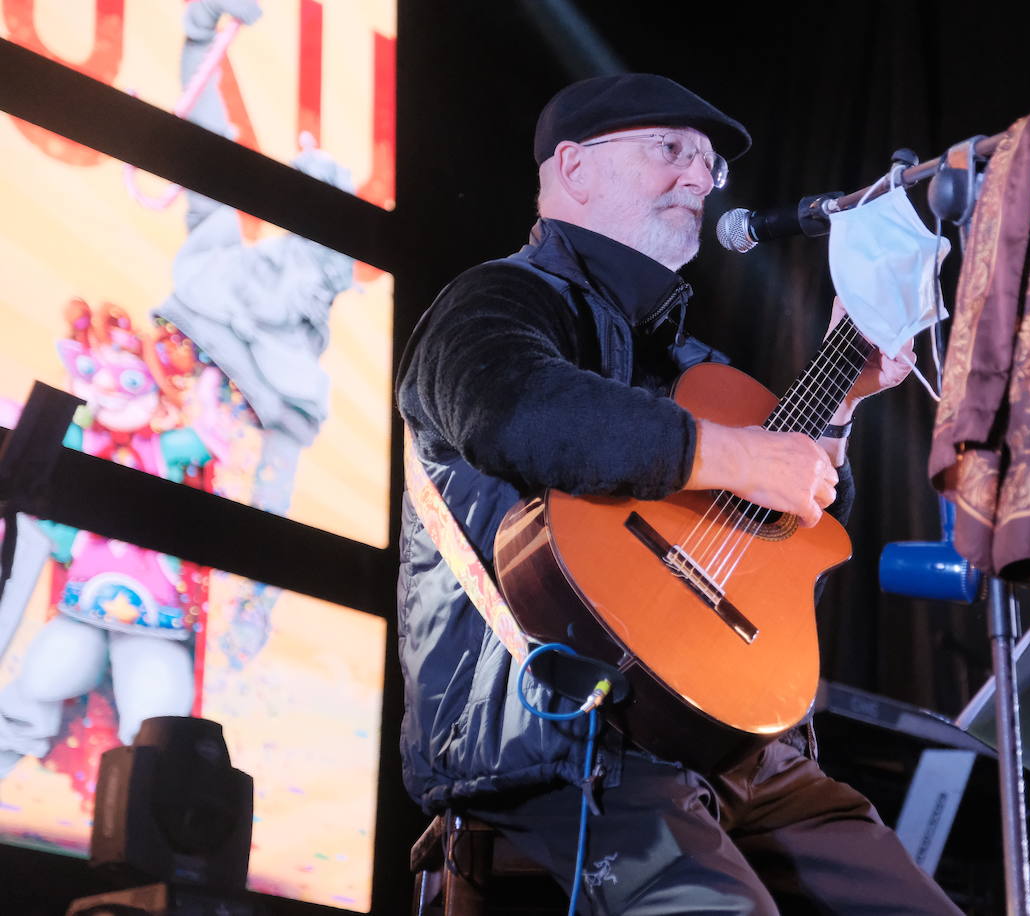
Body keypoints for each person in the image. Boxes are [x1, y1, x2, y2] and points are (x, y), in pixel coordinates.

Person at [396, 73, 961, 915]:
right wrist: (737, 455)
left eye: (708, 166)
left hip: (741, 750)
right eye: (671, 151)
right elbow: (520, 410)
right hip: (562, 742)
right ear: (574, 170)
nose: (700, 179)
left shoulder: (693, 362)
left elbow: (801, 524)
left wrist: (838, 397)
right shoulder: (497, 300)